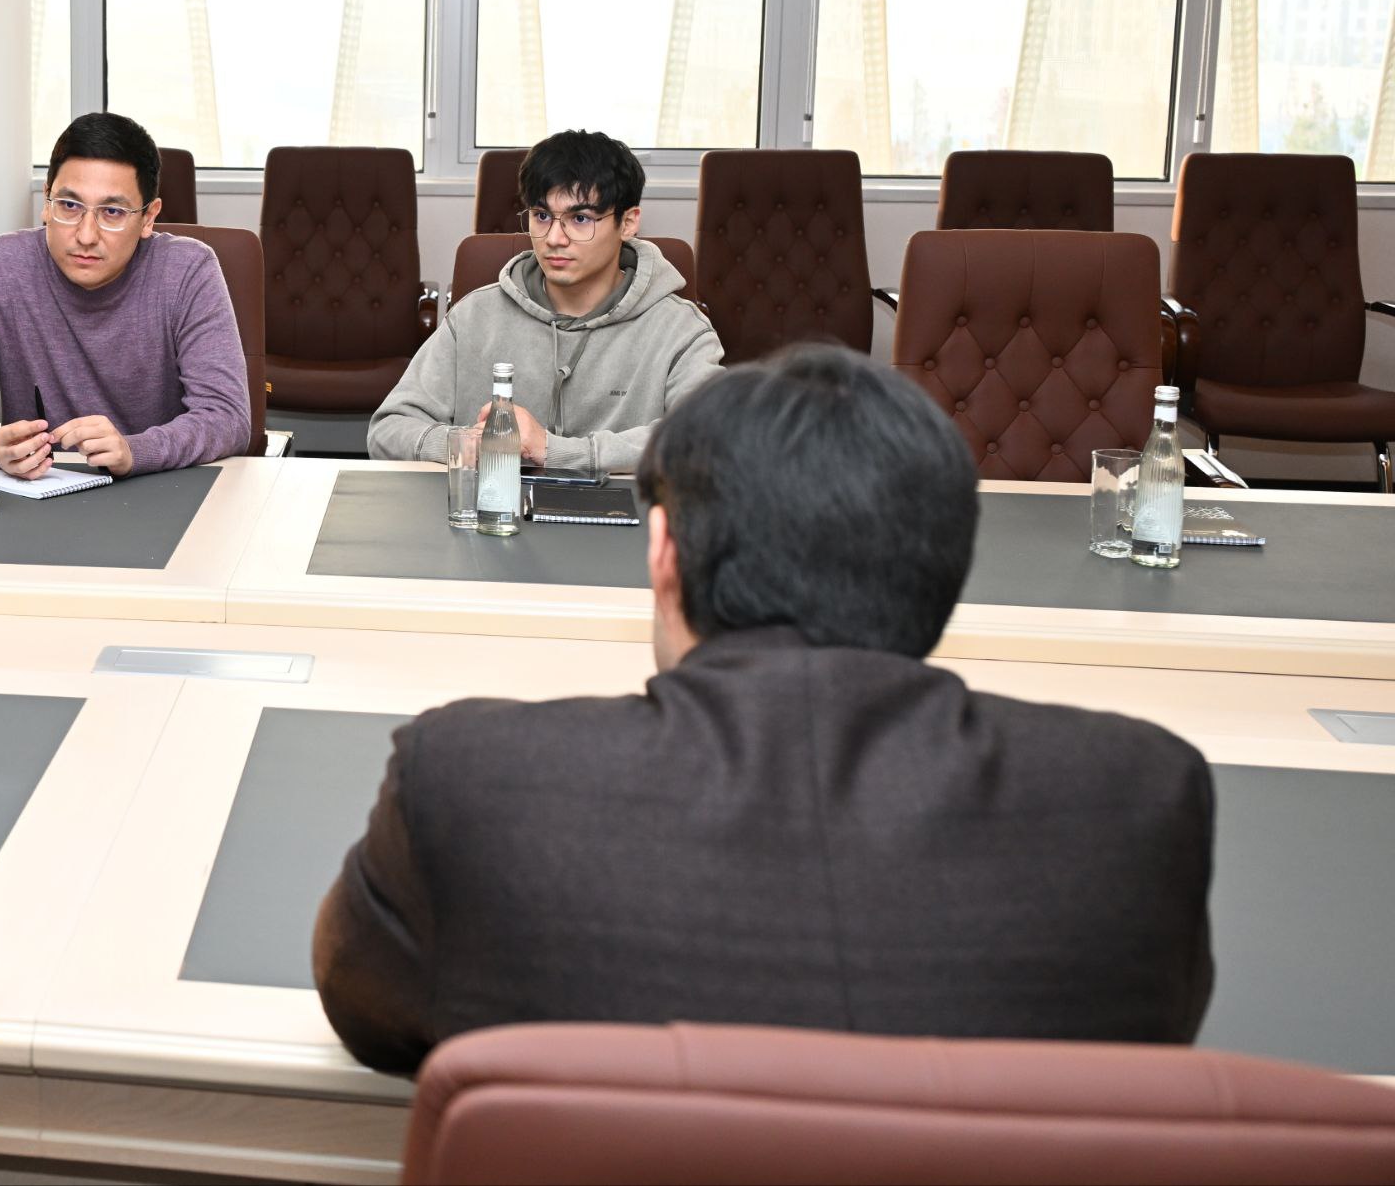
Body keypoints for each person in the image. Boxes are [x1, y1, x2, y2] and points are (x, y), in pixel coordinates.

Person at [315, 343, 1214, 1076]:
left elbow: (370, 1013)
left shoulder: (470, 784)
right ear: (945, 566)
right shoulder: (1139, 804)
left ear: (662, 551)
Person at [0, 112, 249, 477]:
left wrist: (134, 451)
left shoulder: (188, 271)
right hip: (37, 493)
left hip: (159, 491)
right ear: (46, 202)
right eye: (69, 206)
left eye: (112, 212)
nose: (86, 235)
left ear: (148, 217)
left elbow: (226, 416)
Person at [369, 130, 721, 477]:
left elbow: (709, 440)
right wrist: (468, 445)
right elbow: (389, 428)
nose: (554, 238)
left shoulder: (681, 330)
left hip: (626, 513)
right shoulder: (474, 316)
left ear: (627, 223)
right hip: (492, 510)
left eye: (580, 219)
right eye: (541, 215)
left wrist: (552, 450)